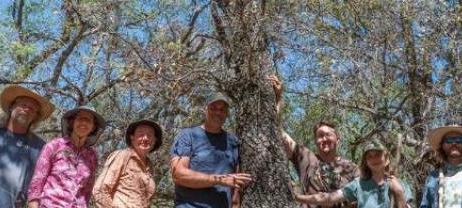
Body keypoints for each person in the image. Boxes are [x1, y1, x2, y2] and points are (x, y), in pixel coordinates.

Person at [269, 75, 359, 208]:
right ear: (316, 141)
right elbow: (278, 132)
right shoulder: (305, 157)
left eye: (328, 135)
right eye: (320, 136)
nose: (324, 139)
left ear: (337, 139)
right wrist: (278, 98)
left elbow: (365, 195)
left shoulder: (352, 167)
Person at [170, 93, 252, 207]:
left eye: (222, 109)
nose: (218, 112)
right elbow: (178, 175)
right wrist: (219, 179)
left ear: (227, 114)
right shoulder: (188, 135)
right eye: (213, 108)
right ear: (205, 109)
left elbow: (236, 187)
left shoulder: (233, 141)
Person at [27, 106, 106, 208]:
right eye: (80, 118)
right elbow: (37, 181)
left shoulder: (92, 156)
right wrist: (33, 204)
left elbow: (87, 190)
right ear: (72, 122)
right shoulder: (54, 145)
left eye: (88, 120)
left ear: (93, 128)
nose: (83, 123)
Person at [295, 141, 413, 208]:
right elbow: (328, 198)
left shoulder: (401, 185)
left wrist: (398, 192)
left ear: (387, 159)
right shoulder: (358, 185)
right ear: (366, 162)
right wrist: (297, 197)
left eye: (377, 154)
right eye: (369, 156)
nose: (374, 159)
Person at [92, 119, 163, 208]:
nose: (145, 138)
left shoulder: (150, 166)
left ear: (155, 140)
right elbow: (100, 190)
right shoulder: (122, 156)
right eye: (140, 134)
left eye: (149, 135)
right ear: (132, 138)